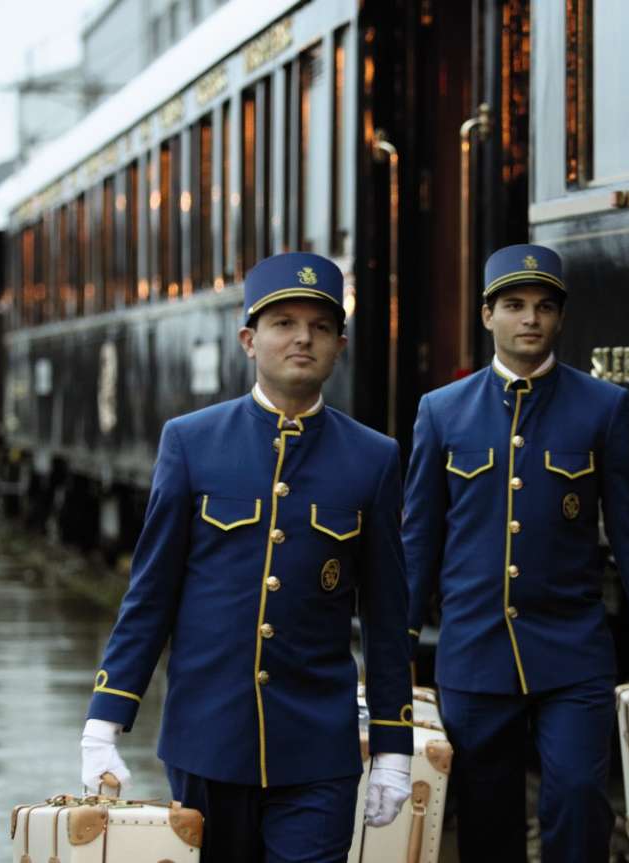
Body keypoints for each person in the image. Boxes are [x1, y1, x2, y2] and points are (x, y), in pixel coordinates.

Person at [80, 252, 414, 863]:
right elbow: (150, 594)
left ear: (340, 344)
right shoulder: (191, 442)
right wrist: (104, 723)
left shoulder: (374, 457)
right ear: (248, 339)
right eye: (283, 322)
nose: (302, 338)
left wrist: (394, 748)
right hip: (209, 739)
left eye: (319, 326)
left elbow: (389, 616)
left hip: (318, 748)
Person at [402, 243, 629, 862]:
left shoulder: (603, 406)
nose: (530, 319)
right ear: (487, 315)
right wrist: (395, 646)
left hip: (572, 654)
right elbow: (419, 539)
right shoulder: (441, 412)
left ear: (561, 318)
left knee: (576, 799)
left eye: (544, 306)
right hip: (475, 652)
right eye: (514, 305)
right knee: (487, 819)